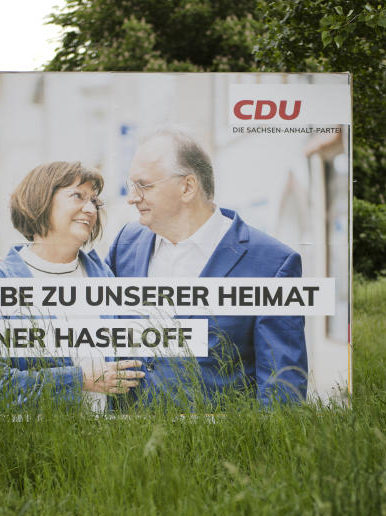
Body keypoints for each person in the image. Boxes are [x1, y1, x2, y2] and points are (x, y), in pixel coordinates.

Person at [105, 130, 307, 407]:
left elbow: (282, 391)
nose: (132, 198)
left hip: (216, 447)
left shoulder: (273, 265)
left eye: (144, 185)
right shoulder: (125, 244)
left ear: (188, 187)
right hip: (123, 445)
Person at [0, 161, 144, 412]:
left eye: (95, 201)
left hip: (106, 445)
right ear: (41, 201)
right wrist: (80, 379)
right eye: (77, 196)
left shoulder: (105, 279)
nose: (90, 208)